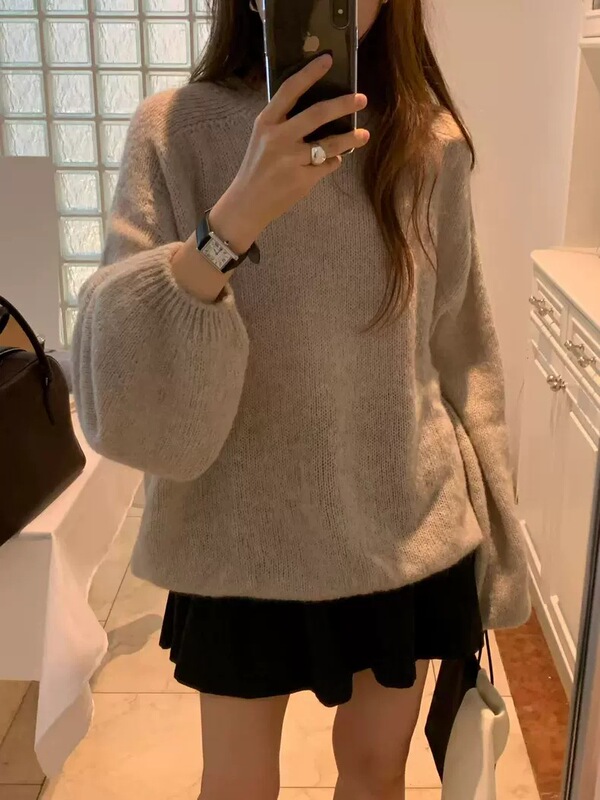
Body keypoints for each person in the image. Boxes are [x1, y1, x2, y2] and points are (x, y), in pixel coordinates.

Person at [73, 1, 530, 798]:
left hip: (407, 526)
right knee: (238, 784)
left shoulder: (429, 140)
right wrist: (234, 218)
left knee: (376, 774)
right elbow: (124, 385)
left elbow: (463, 354)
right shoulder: (174, 131)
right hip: (236, 534)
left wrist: (498, 541)